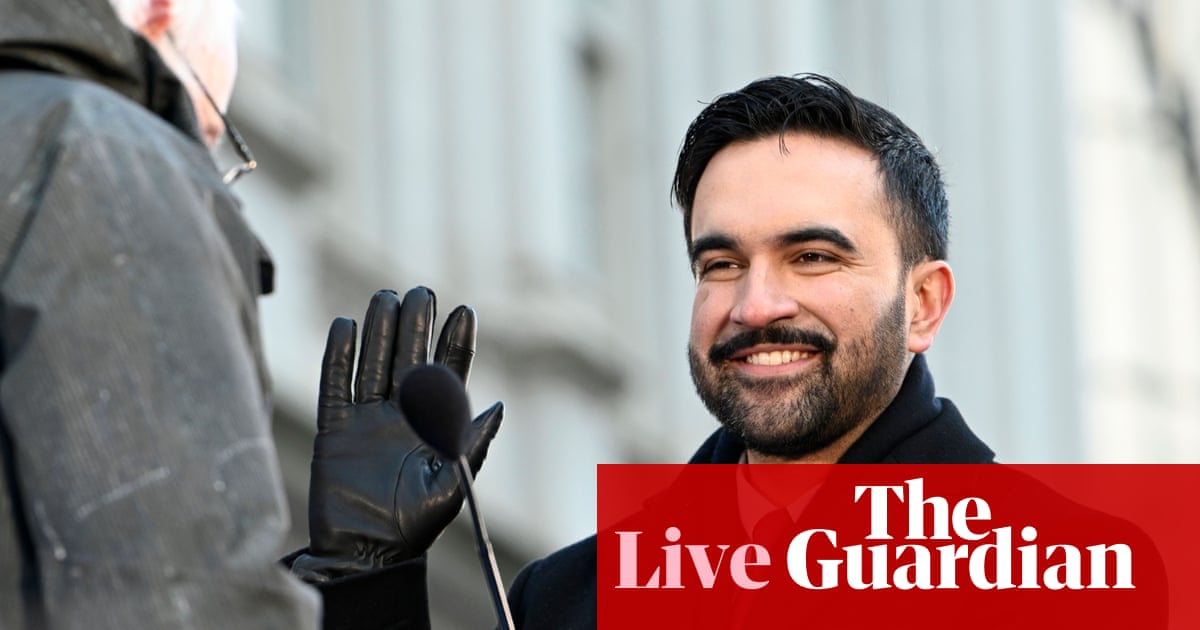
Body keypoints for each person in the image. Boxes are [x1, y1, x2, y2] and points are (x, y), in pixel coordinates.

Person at [295, 74, 999, 629]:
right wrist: (364, 586)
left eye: (812, 257)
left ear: (923, 303)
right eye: (721, 264)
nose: (755, 306)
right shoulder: (568, 600)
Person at [0, 0, 501, 627]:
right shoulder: (107, 154)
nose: (205, 183)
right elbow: (182, 603)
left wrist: (356, 575)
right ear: (159, 14)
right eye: (206, 142)